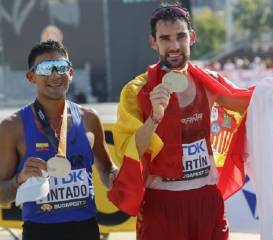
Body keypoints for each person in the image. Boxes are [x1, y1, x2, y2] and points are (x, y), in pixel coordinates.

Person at [107, 3, 252, 240]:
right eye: (165, 38)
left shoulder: (210, 83)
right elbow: (128, 154)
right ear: (153, 42)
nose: (174, 46)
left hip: (206, 199)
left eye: (180, 37)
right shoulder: (136, 92)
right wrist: (154, 117)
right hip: (161, 202)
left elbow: (250, 102)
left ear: (192, 37)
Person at [0, 40, 118, 240]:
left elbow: (107, 170)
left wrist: (119, 178)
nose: (55, 75)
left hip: (86, 229)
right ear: (31, 77)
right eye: (45, 68)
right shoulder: (12, 127)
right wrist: (20, 179)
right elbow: (3, 197)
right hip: (39, 232)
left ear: (70, 73)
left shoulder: (90, 119)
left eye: (61, 67)